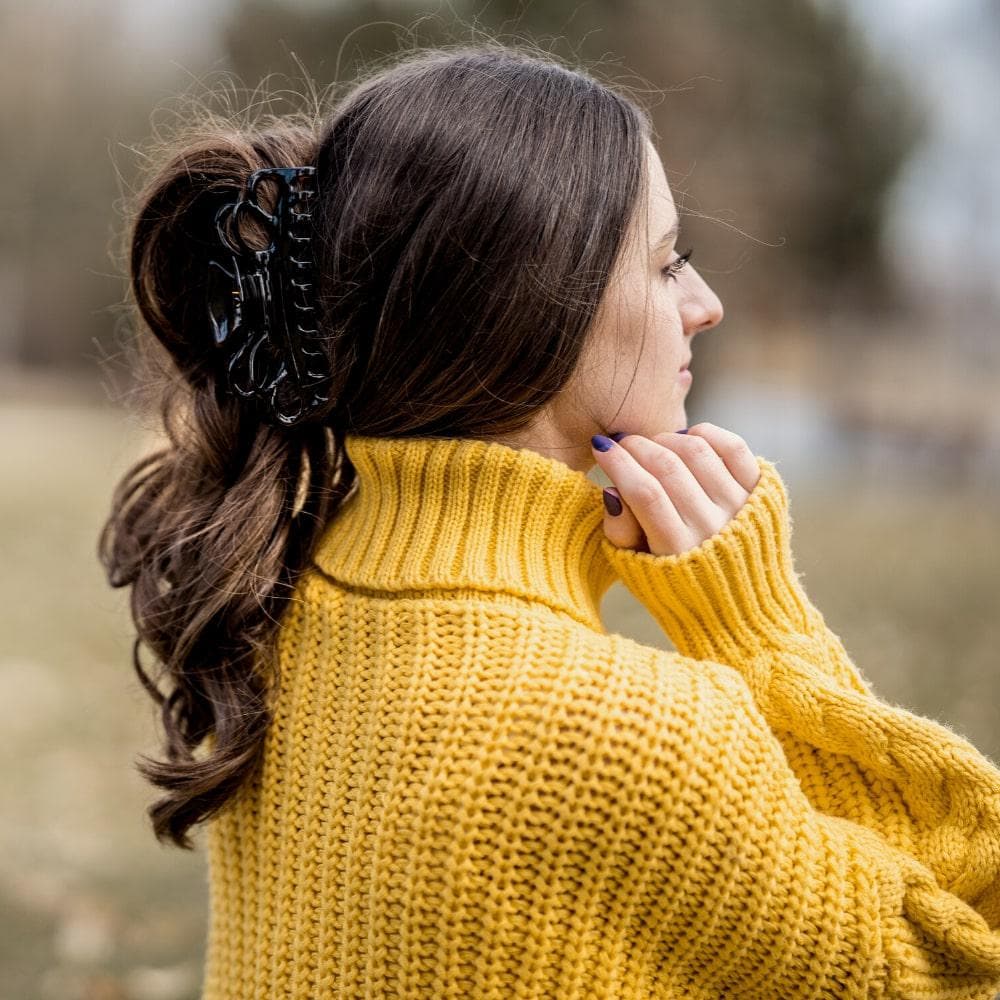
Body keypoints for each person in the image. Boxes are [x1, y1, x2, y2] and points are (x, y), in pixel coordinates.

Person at [99, 40, 1000, 999]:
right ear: (531, 311)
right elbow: (966, 945)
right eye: (665, 264)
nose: (706, 303)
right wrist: (758, 625)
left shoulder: (282, 605)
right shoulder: (634, 736)